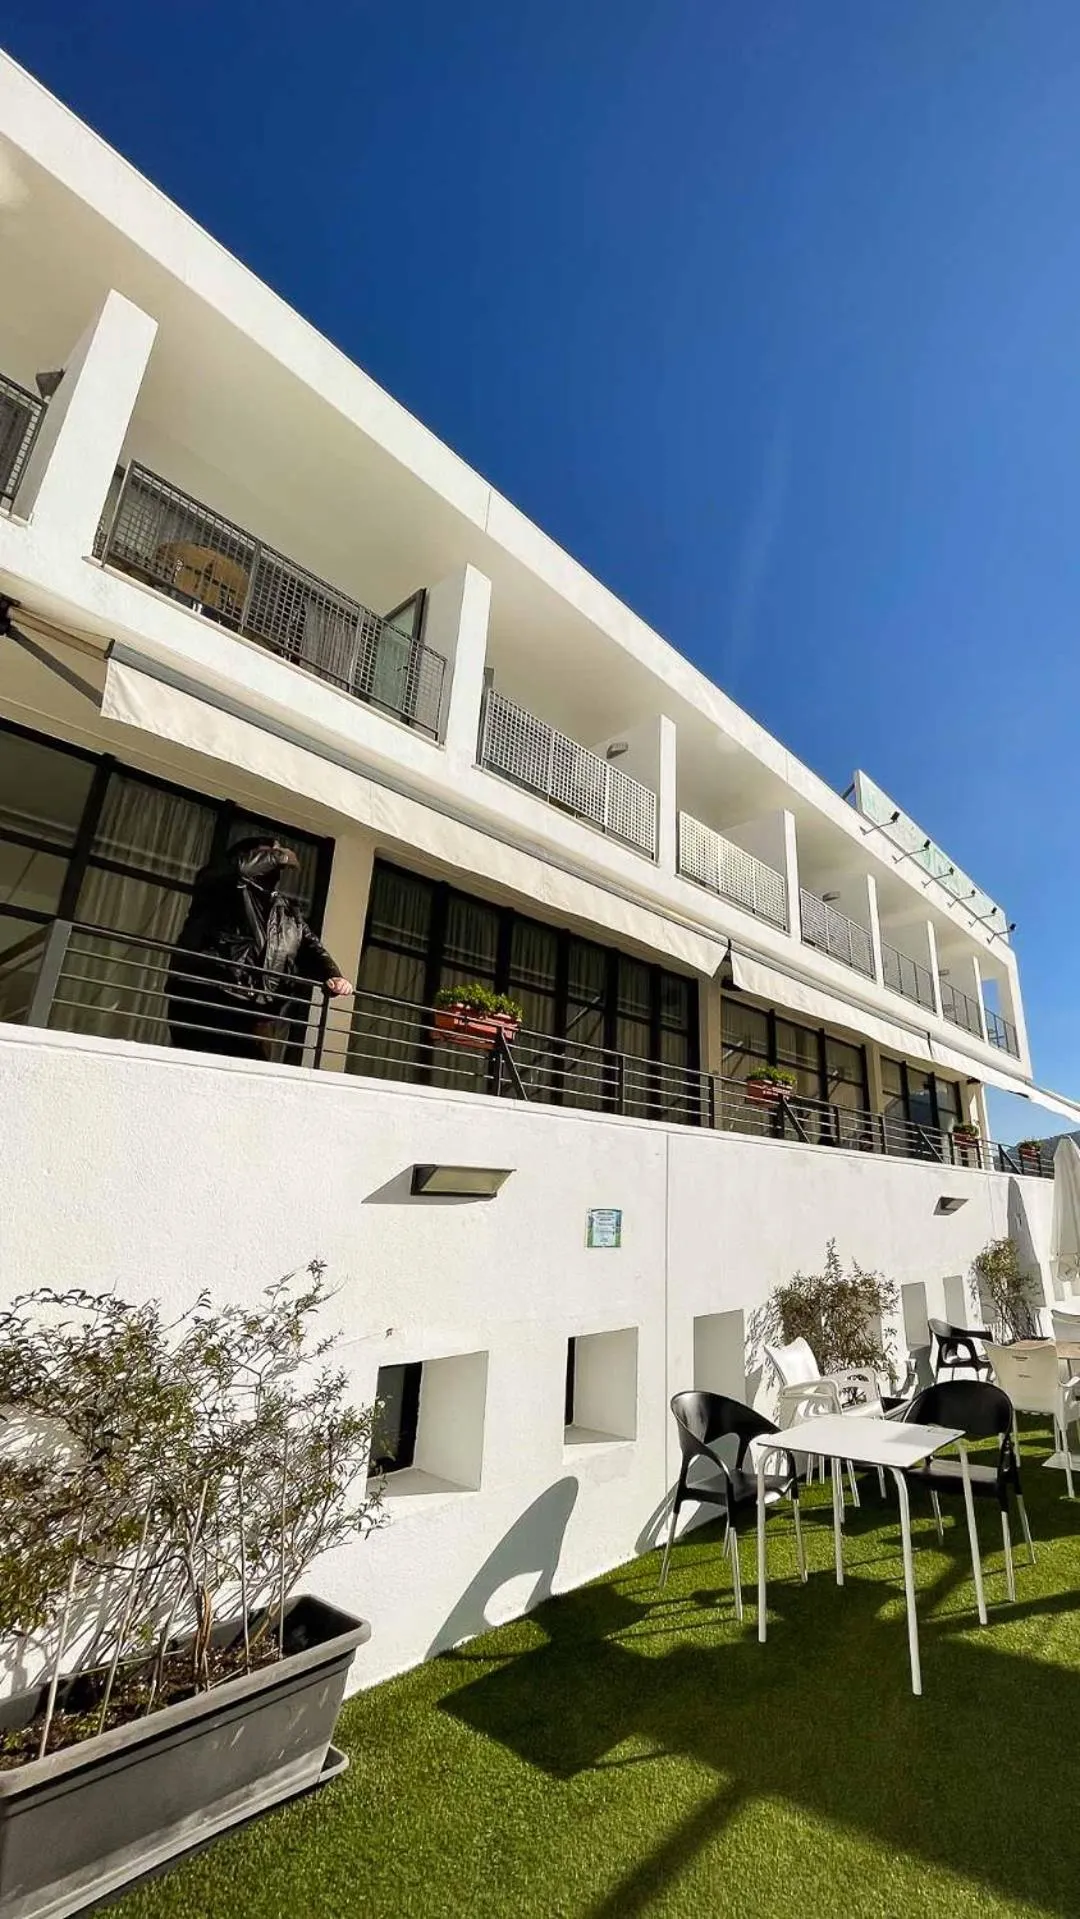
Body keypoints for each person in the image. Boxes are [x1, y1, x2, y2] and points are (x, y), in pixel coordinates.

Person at [167, 836, 352, 1058]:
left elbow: (311, 948)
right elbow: (240, 869)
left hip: (258, 1010)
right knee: (200, 1066)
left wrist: (334, 976)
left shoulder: (287, 911)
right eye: (269, 855)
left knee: (252, 1076)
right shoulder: (222, 885)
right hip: (208, 997)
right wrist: (282, 854)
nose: (277, 864)